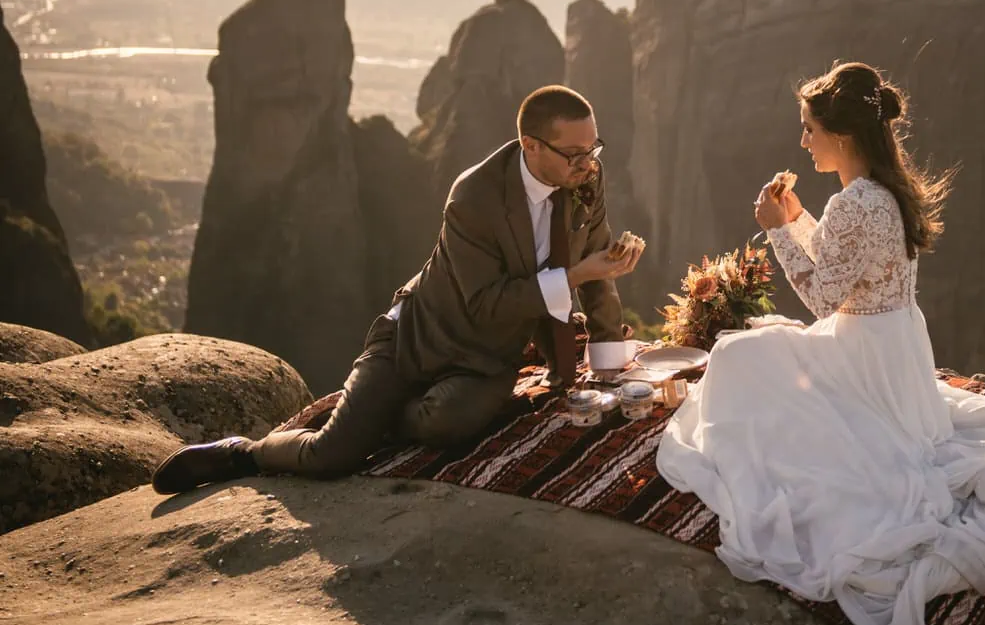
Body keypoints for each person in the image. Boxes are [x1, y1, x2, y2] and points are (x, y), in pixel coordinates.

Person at [655, 61, 985, 625]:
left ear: (843, 135)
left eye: (809, 129)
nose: (802, 141)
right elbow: (843, 259)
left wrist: (777, 231)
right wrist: (802, 217)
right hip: (893, 346)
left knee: (737, 354)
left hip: (860, 353)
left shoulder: (855, 204)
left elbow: (823, 298)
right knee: (757, 351)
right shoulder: (881, 193)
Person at [153, 85, 644, 494]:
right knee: (332, 455)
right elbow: (485, 303)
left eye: (593, 148)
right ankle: (243, 453)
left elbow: (599, 267)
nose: (587, 164)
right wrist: (577, 275)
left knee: (452, 427)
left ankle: (382, 418)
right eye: (575, 153)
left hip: (490, 355)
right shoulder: (474, 197)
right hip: (417, 336)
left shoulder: (585, 179)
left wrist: (606, 369)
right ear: (530, 145)